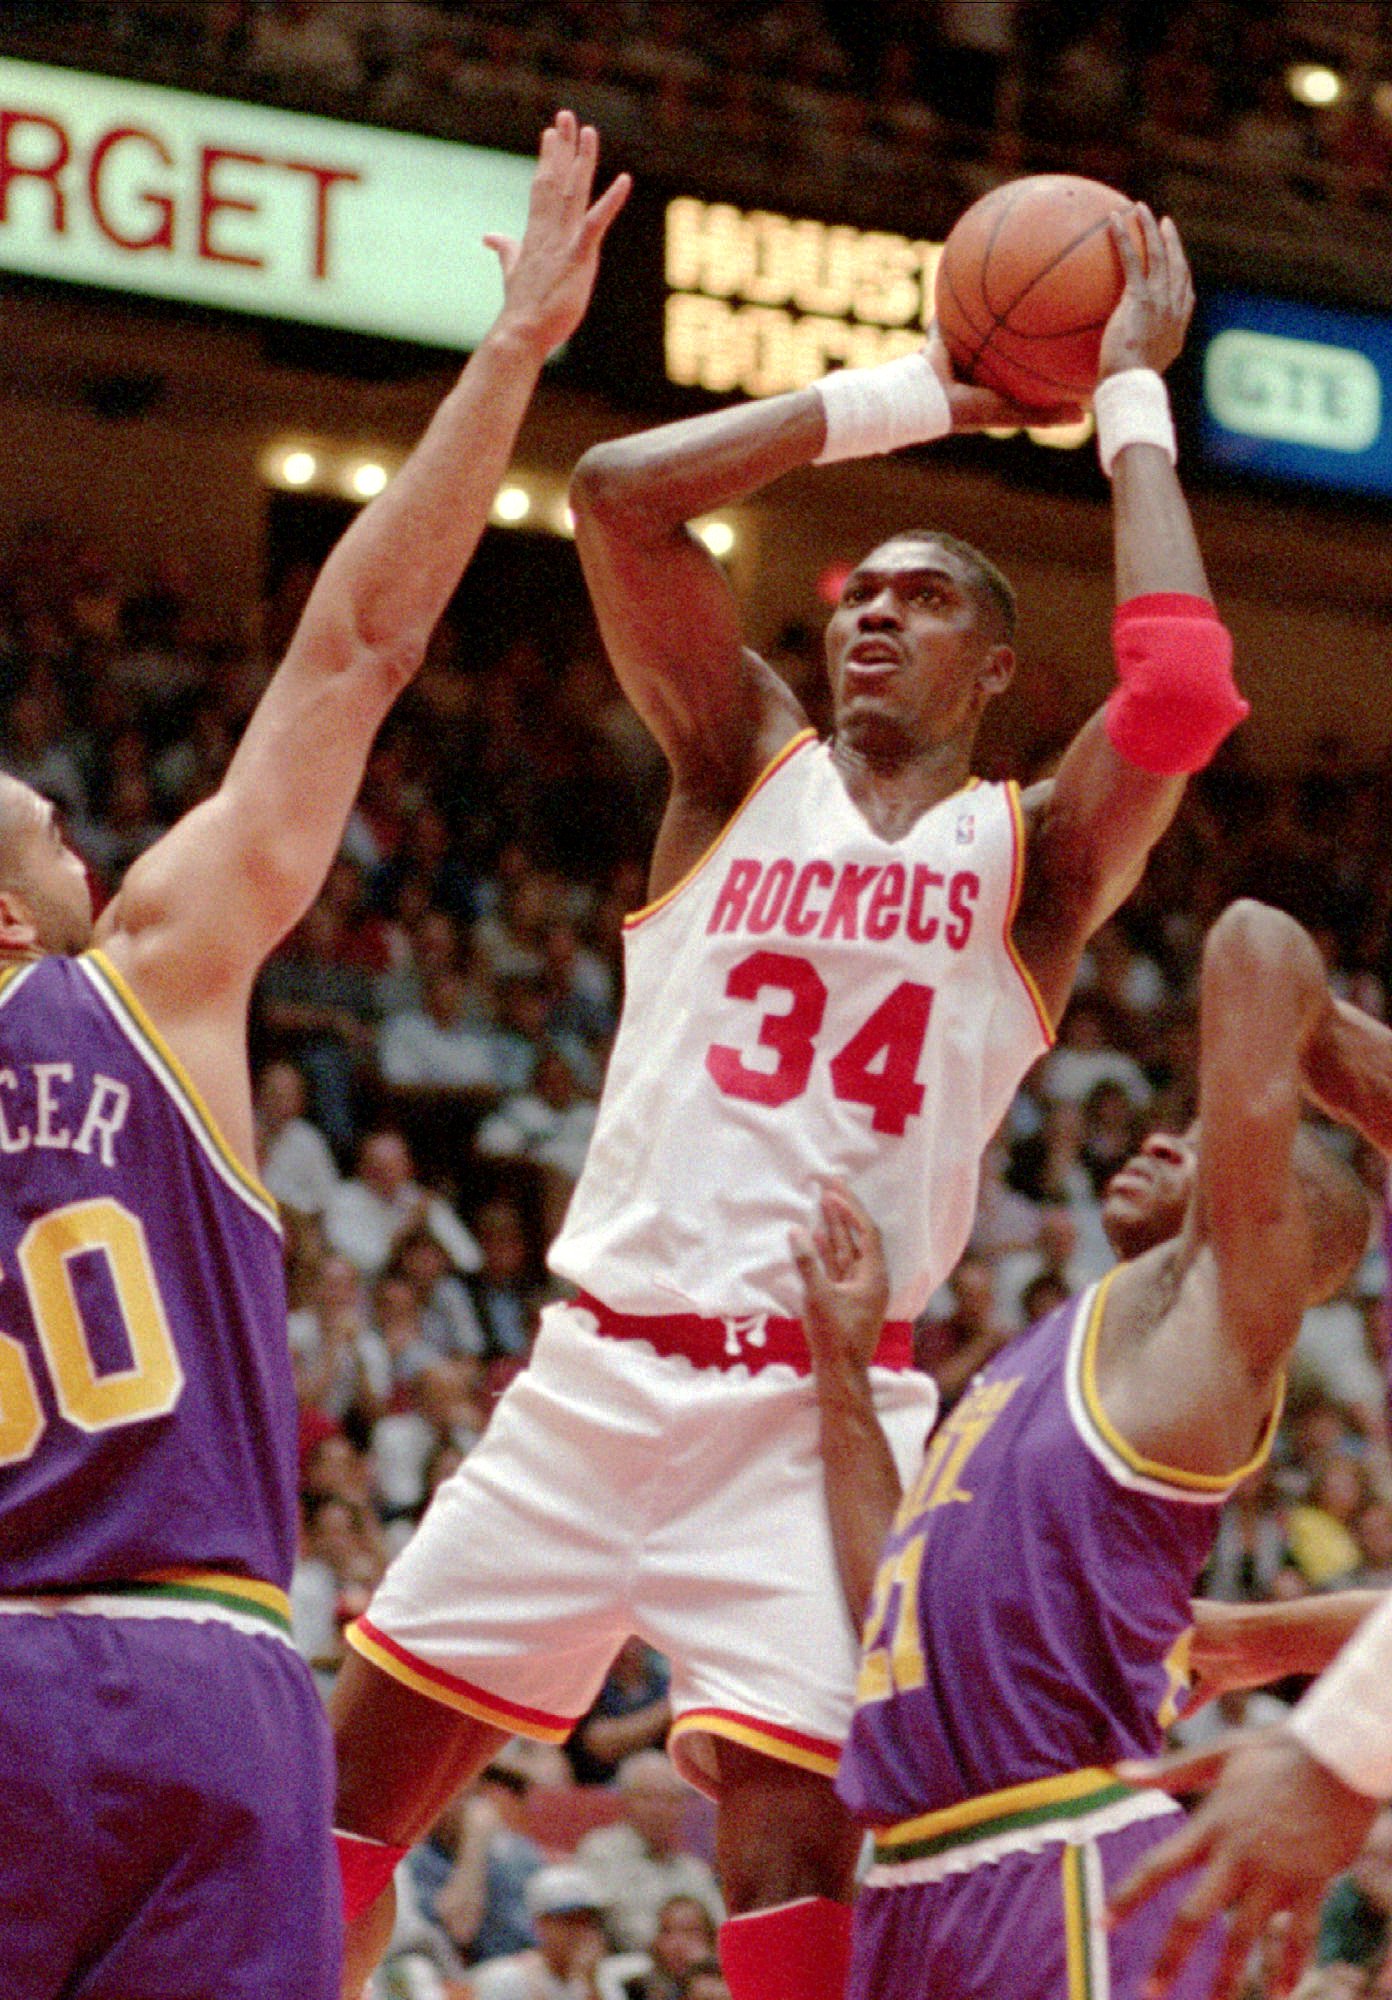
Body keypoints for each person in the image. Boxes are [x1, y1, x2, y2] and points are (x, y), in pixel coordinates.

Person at [331, 204, 1245, 2000]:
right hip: (589, 1379)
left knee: (788, 1883)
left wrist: (1127, 395)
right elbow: (614, 493)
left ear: (998, 674)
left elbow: (1187, 686)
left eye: (923, 602)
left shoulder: (1032, 862)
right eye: (859, 595)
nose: (872, 618)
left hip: (813, 1412)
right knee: (324, 1829)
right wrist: (929, 393)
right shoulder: (738, 763)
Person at [0, 110, 628, 2000]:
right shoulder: (158, 971)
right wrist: (510, 354)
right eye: (48, 823)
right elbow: (351, 647)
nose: (84, 835)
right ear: (30, 905)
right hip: (189, 1672)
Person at [799, 897, 1387, 2000]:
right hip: (915, 1869)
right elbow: (894, 1609)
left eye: (1214, 1141)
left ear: (1269, 1226)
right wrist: (841, 1379)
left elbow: (1257, 938)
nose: (1165, 1135)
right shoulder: (1043, 1359)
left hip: (1063, 1855)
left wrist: (1326, 1053)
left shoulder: (1220, 1326)